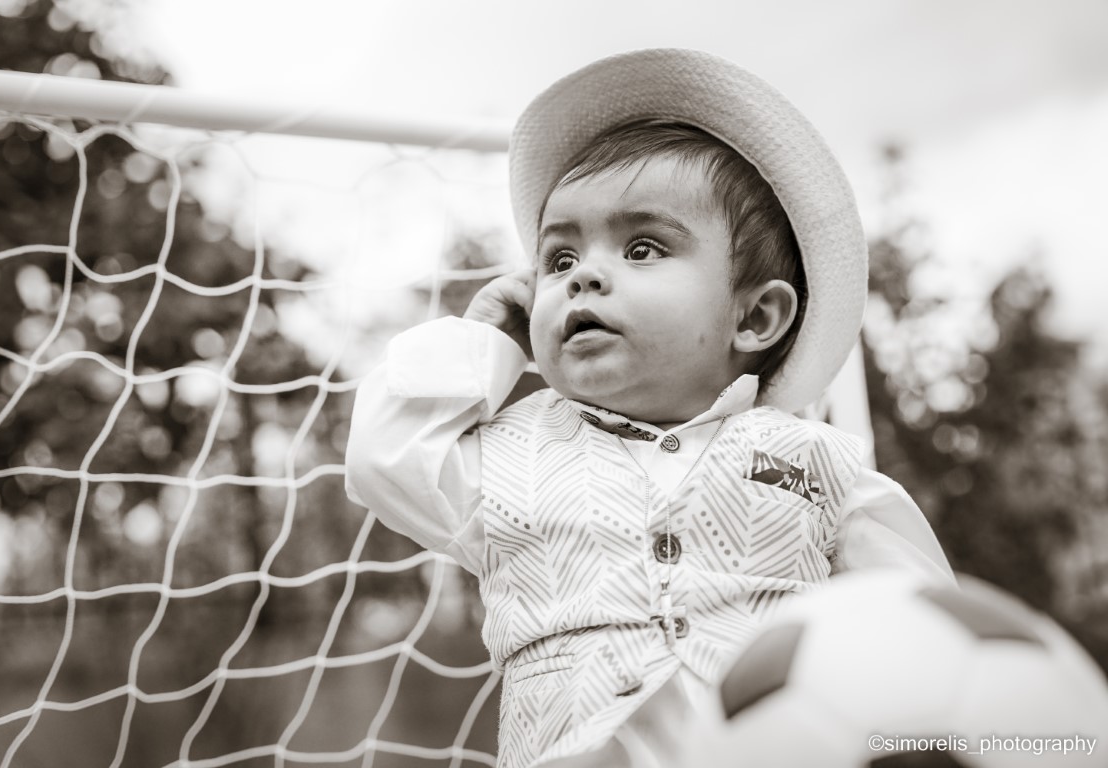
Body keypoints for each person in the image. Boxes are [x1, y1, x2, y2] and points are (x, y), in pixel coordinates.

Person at [345, 49, 954, 768]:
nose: (585, 276)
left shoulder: (820, 463)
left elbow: (927, 632)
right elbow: (382, 456)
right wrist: (483, 340)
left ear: (755, 318)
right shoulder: (506, 458)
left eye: (641, 248)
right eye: (559, 260)